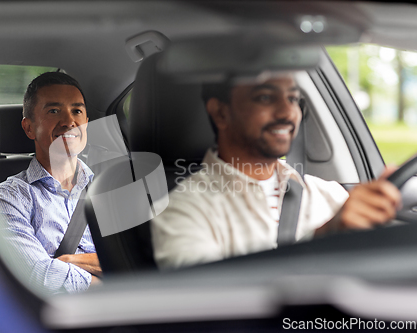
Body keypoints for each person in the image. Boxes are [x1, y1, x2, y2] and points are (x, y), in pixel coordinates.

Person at [151, 73, 401, 271]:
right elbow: (206, 307)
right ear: (221, 112)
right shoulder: (180, 211)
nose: (287, 113)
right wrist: (322, 239)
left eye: (293, 99)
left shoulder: (329, 194)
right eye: (265, 98)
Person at [0, 72, 101, 294]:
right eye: (54, 111)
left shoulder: (112, 187)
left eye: (77, 111)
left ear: (86, 124)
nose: (69, 122)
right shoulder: (7, 198)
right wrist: (106, 284)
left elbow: (141, 262)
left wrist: (65, 261)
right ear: (29, 127)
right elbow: (37, 275)